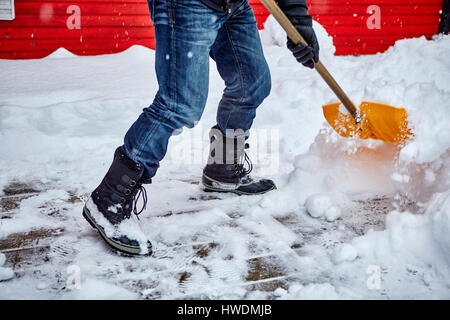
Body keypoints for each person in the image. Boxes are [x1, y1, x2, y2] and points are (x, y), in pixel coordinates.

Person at [82, 0, 320, 255]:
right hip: (187, 4)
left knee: (251, 83)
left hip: (233, 4)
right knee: (179, 104)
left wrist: (298, 22)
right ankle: (109, 199)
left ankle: (224, 169)